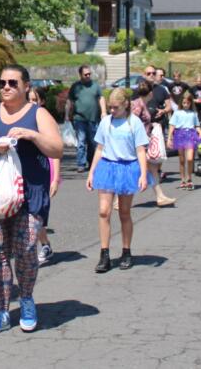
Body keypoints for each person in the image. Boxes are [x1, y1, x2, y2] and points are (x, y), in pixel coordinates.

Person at [0, 65, 62, 334]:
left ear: (26, 86)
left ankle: (27, 299)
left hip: (29, 194)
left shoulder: (38, 114)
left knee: (25, 248)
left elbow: (56, 148)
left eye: (12, 82)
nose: (6, 87)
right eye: (2, 83)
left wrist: (32, 134)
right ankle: (1, 311)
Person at [87, 88, 151, 273]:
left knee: (124, 212)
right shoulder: (106, 122)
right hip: (107, 166)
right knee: (103, 212)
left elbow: (140, 150)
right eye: (110, 107)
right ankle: (104, 254)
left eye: (115, 107)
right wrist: (91, 173)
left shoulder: (134, 123)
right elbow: (99, 148)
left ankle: (126, 251)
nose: (112, 111)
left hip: (127, 167)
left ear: (125, 105)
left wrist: (143, 174)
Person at [28, 87, 60, 264]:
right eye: (29, 99)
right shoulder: (23, 118)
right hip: (29, 172)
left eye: (34, 99)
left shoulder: (45, 119)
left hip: (46, 170)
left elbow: (55, 152)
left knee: (38, 211)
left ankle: (44, 245)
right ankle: (40, 244)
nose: (31, 103)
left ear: (41, 101)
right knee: (30, 212)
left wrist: (55, 179)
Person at [132, 79, 175, 206]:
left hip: (142, 143)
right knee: (138, 171)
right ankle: (119, 199)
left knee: (152, 169)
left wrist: (151, 124)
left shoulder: (140, 104)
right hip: (137, 145)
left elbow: (141, 122)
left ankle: (160, 196)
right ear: (150, 93)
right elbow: (133, 123)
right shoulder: (138, 105)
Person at [68, 64, 106, 173]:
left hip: (93, 119)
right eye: (86, 74)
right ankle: (81, 164)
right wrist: (66, 114)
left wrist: (103, 112)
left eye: (89, 74)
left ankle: (91, 162)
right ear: (80, 75)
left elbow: (101, 98)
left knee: (92, 143)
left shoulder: (95, 86)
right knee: (81, 142)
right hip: (79, 118)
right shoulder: (75, 86)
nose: (88, 76)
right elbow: (69, 101)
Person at [167, 92, 201, 191]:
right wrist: (169, 137)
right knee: (182, 160)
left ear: (190, 103)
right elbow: (172, 125)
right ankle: (183, 179)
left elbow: (197, 125)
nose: (185, 105)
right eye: (184, 103)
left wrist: (200, 132)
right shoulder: (177, 112)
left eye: (187, 103)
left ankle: (189, 178)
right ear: (181, 103)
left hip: (191, 134)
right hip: (180, 134)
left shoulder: (193, 113)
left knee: (190, 158)